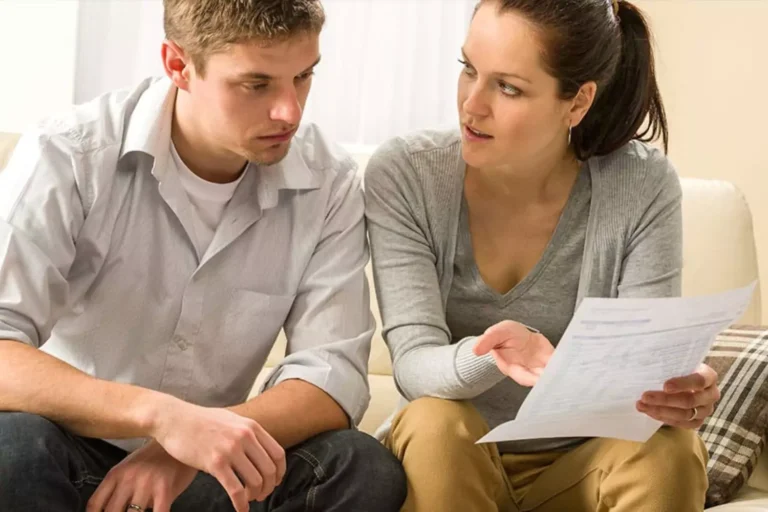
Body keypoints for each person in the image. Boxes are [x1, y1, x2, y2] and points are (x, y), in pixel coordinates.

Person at [0, 1, 406, 511]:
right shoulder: (70, 152)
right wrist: (164, 420)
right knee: (8, 446)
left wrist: (189, 449)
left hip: (217, 471)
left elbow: (331, 375)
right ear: (178, 66)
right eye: (257, 85)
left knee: (358, 466)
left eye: (303, 76)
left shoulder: (329, 182)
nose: (291, 111)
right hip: (68, 458)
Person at [364, 0, 719, 510]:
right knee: (434, 420)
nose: (472, 105)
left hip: (581, 467)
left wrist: (675, 389)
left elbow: (638, 366)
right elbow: (413, 364)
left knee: (668, 446)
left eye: (507, 87)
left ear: (577, 103)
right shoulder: (406, 174)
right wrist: (494, 355)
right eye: (469, 69)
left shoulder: (642, 185)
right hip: (452, 459)